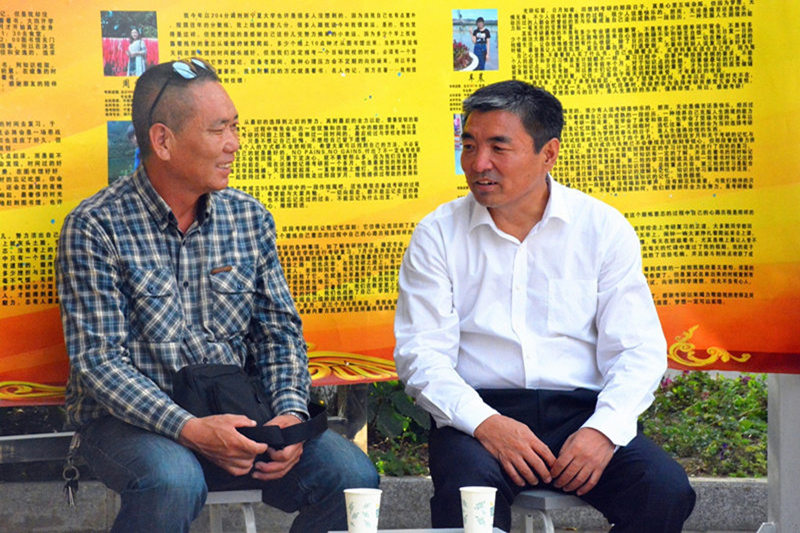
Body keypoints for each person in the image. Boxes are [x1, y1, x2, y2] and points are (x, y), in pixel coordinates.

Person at [57, 58, 378, 533]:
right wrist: (190, 429)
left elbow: (279, 334)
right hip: (133, 425)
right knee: (173, 479)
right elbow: (99, 362)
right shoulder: (95, 226)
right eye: (218, 130)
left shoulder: (248, 217)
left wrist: (290, 415)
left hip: (238, 415)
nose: (234, 144)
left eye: (235, 126)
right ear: (162, 141)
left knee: (352, 476)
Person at [393, 80, 695, 532]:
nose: (478, 164)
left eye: (499, 147)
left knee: (664, 490)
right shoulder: (438, 235)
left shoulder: (601, 228)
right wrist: (487, 423)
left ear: (548, 153)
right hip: (479, 415)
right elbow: (421, 355)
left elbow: (637, 349)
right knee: (467, 499)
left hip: (581, 415)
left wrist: (603, 430)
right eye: (469, 146)